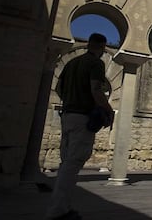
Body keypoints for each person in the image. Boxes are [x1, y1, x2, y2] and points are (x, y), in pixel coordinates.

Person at [46, 33, 114, 220]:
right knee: (73, 163)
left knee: (66, 162)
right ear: (101, 47)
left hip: (67, 115)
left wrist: (71, 101)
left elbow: (59, 89)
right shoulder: (95, 64)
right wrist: (109, 110)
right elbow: (96, 89)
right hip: (82, 118)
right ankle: (58, 210)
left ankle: (63, 206)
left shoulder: (72, 63)